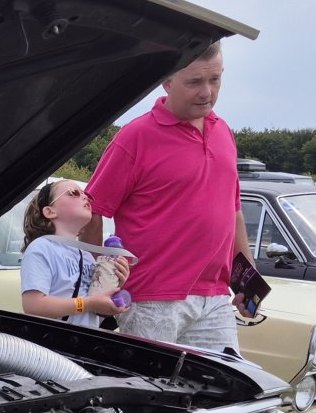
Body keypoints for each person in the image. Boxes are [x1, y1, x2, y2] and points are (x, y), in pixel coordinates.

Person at [81, 43, 254, 352]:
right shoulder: (135, 137)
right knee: (153, 396)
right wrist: (102, 283)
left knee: (223, 393)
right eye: (194, 82)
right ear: (167, 81)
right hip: (151, 298)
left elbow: (234, 211)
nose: (206, 92)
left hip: (215, 298)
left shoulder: (223, 131)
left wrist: (247, 281)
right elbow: (92, 209)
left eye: (214, 80)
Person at [19, 179, 128, 329]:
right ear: (50, 211)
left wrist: (112, 286)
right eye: (73, 193)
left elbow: (95, 311)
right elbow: (33, 305)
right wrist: (87, 303)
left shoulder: (87, 257)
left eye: (86, 196)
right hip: (51, 343)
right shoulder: (41, 248)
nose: (84, 197)